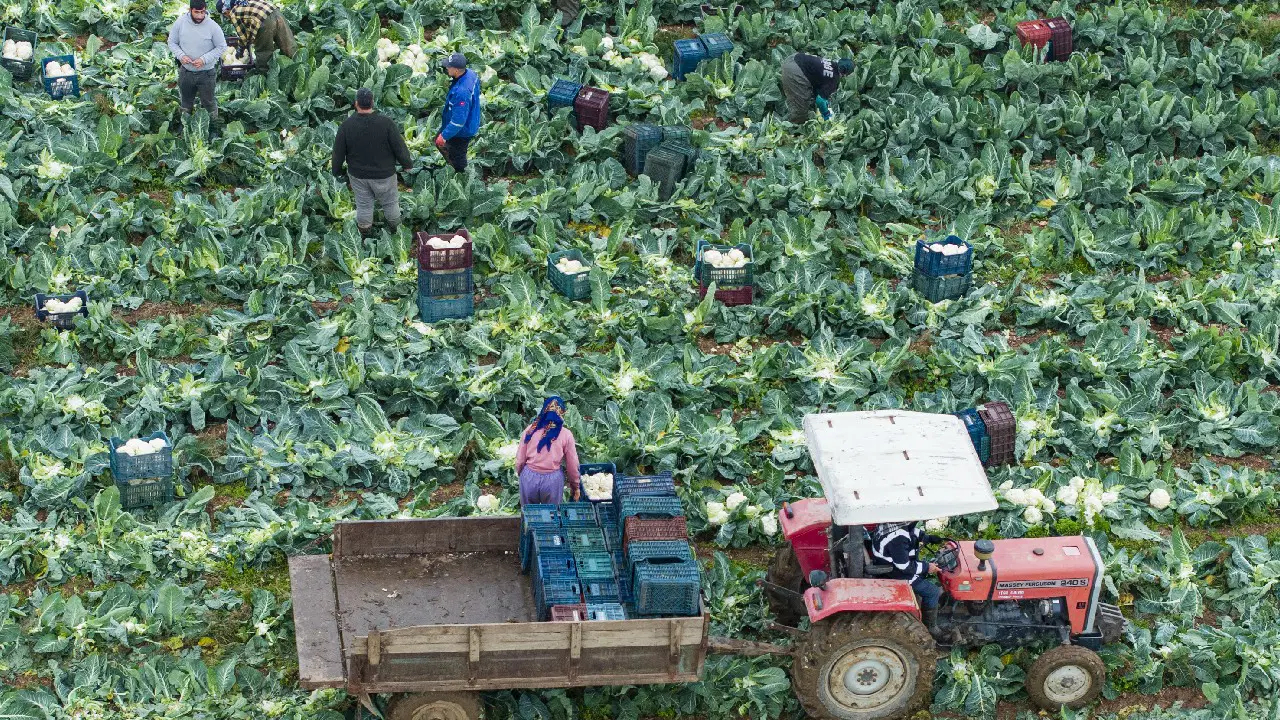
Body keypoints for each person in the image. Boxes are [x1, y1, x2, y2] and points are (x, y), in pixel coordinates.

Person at [331, 88, 414, 236]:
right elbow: (399, 147)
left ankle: (365, 234)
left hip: (358, 175)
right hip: (384, 175)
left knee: (364, 205)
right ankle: (397, 231)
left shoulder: (346, 126)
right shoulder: (386, 123)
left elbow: (338, 153)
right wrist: (407, 164)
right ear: (372, 103)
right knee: (390, 203)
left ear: (356, 104)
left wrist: (337, 171)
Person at [869, 521, 944, 635]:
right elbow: (905, 567)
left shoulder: (890, 524)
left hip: (889, 564)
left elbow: (910, 530)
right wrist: (927, 567)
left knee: (923, 574)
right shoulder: (898, 538)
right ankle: (931, 627)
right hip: (896, 574)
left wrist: (927, 537)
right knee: (932, 591)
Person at [167, 0, 227, 125]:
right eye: (196, 12)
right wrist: (181, 55)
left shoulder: (213, 26)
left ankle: (213, 126)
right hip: (186, 72)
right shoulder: (180, 23)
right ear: (190, 10)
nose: (200, 16)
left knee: (209, 102)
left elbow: (221, 46)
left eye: (202, 12)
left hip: (207, 73)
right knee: (186, 101)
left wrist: (204, 59)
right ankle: (185, 126)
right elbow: (172, 42)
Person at [516, 396, 582, 505]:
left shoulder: (530, 430)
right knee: (552, 516)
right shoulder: (566, 434)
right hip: (552, 481)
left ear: (544, 410)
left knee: (529, 515)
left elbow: (520, 460)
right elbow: (572, 465)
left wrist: (521, 474)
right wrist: (575, 486)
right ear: (561, 413)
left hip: (529, 477)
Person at [215, 0, 295, 74]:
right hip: (274, 11)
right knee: (287, 43)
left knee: (263, 51)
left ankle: (264, 76)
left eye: (225, 15)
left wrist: (240, 49)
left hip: (264, 21)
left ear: (226, 11)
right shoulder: (241, 2)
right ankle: (297, 64)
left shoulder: (234, 13)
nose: (226, 16)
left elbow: (243, 36)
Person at [435, 53, 481, 173]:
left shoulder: (461, 93)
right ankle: (454, 167)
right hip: (470, 118)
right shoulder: (470, 73)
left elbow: (458, 121)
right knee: (444, 144)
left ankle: (461, 176)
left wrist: (444, 136)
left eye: (448, 67)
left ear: (456, 70)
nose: (446, 68)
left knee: (458, 156)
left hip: (462, 130)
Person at [780, 53, 853, 124]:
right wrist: (826, 114)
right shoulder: (834, 79)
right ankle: (794, 128)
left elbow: (818, 80)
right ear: (845, 74)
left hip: (793, 58)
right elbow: (820, 101)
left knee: (807, 94)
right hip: (794, 70)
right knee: (801, 107)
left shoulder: (832, 63)